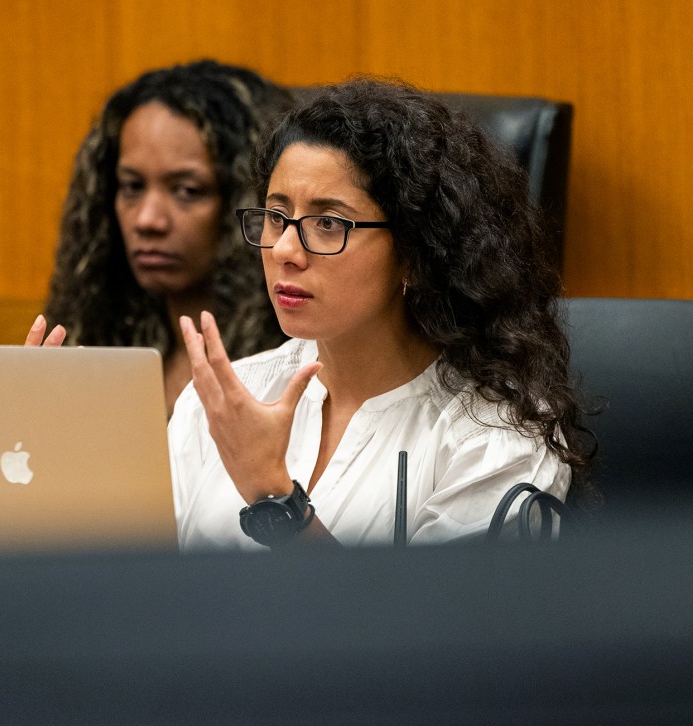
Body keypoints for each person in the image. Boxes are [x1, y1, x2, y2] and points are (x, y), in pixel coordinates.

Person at [169, 77, 594, 549]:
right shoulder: (225, 403)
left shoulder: (496, 436)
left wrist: (275, 499)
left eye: (328, 223)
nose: (285, 249)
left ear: (414, 250)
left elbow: (436, 621)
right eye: (276, 216)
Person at [27, 60, 290, 416]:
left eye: (187, 190)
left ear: (248, 200)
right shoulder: (97, 348)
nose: (148, 220)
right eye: (132, 187)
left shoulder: (290, 369)